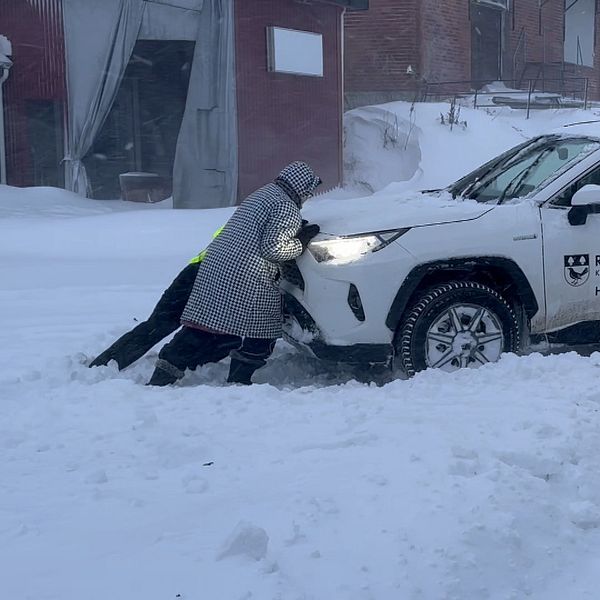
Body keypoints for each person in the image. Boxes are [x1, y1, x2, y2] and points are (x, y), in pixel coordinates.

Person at [146, 161, 322, 386]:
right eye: (309, 190)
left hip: (216, 269)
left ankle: (165, 371)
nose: (309, 196)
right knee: (262, 330)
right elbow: (273, 248)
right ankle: (239, 380)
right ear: (302, 187)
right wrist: (300, 242)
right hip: (247, 276)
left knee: (204, 324)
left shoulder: (264, 193)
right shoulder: (286, 207)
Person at [88, 227, 231, 370]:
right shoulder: (247, 223)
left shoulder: (242, 219)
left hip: (206, 276)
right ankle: (105, 365)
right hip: (205, 277)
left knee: (213, 333)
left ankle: (186, 367)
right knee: (163, 325)